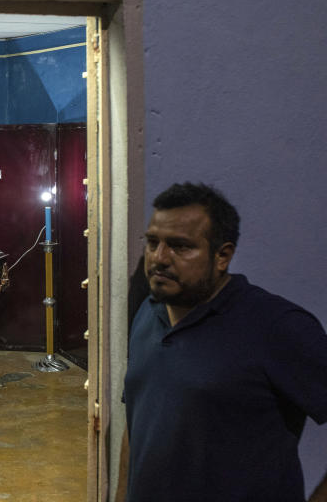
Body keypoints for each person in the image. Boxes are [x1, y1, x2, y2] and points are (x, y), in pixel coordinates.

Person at [116, 182, 327, 502]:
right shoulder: (147, 313)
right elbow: (137, 424)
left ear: (222, 256)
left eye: (180, 246)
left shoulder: (276, 326)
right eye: (153, 242)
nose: (159, 258)